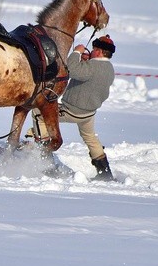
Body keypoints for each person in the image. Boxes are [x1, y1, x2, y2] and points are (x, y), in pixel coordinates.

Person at [30, 35, 116, 181]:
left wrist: (77, 52)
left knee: (38, 112)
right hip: (89, 114)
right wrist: (86, 62)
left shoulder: (93, 67)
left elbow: (72, 69)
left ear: (100, 51)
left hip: (73, 110)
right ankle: (105, 172)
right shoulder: (109, 68)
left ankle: (45, 159)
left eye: (95, 49)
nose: (92, 50)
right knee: (90, 138)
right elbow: (90, 74)